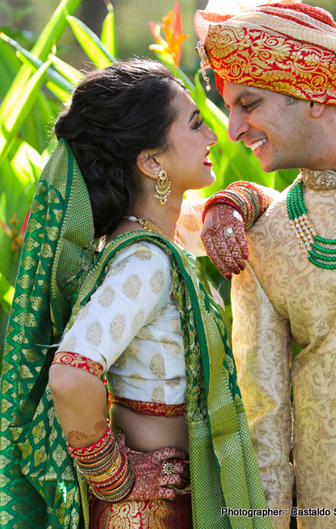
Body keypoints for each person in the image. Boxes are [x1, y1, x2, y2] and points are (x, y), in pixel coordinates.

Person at [0, 59, 274, 529]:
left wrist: (233, 202)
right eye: (196, 126)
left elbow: (255, 212)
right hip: (148, 510)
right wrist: (114, 477)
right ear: (151, 161)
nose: (214, 137)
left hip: (165, 499)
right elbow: (70, 375)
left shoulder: (151, 237)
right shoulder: (146, 262)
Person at [193, 0, 336, 529]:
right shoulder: (263, 240)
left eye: (248, 103)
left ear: (311, 91)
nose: (234, 128)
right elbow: (264, 431)